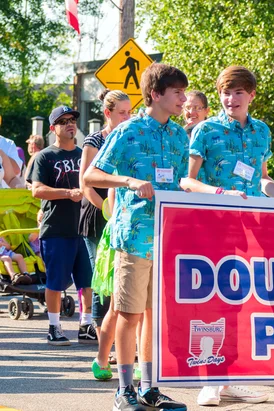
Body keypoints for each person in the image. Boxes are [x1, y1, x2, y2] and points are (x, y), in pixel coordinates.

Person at [180, 65, 274, 406]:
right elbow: (186, 180)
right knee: (213, 302)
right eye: (226, 92)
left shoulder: (262, 132)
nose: (231, 99)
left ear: (251, 95)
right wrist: (219, 193)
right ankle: (209, 380)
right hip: (211, 227)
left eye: (238, 92)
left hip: (250, 231)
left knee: (241, 304)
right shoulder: (205, 130)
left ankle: (230, 378)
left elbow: (262, 178)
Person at [84, 62, 188, 411]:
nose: (183, 99)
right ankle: (124, 389)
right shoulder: (128, 131)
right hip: (133, 238)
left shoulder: (178, 135)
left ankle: (150, 387)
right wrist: (128, 181)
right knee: (129, 315)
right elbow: (91, 176)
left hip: (166, 239)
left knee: (154, 316)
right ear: (156, 94)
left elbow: (178, 183)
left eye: (184, 92)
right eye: (177, 93)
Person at [27, 105, 97, 346]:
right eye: (64, 121)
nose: (70, 124)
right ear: (53, 128)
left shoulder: (84, 154)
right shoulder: (45, 156)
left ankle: (86, 325)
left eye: (73, 120)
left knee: (88, 282)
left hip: (85, 229)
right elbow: (37, 190)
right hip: (56, 229)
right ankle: (54, 327)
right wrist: (68, 193)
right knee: (55, 282)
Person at [79, 89, 131, 381]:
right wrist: (109, 212)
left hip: (124, 218)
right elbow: (86, 183)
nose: (127, 117)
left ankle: (119, 350)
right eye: (122, 112)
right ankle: (105, 350)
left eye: (130, 111)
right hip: (98, 217)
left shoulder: (130, 137)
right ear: (108, 113)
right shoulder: (94, 140)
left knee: (125, 291)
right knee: (103, 283)